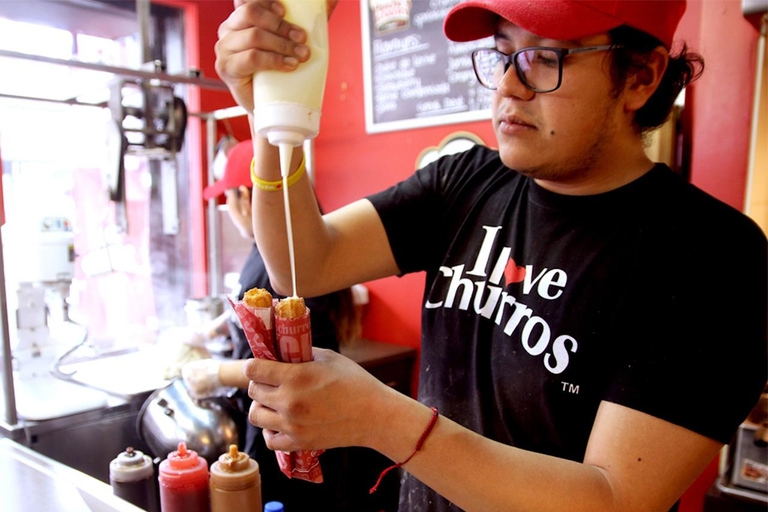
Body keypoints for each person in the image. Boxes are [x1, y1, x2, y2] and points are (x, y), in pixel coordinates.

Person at [213, 1, 768, 511]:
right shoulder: (464, 181)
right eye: (503, 54)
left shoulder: (712, 255)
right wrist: (272, 115)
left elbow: (614, 498)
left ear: (641, 76)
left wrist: (381, 420)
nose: (508, 85)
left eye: (543, 57)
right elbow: (301, 263)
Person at [182, 139, 395, 512]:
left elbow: (297, 365)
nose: (229, 209)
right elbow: (256, 312)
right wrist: (219, 326)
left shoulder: (292, 265)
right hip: (276, 419)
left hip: (297, 429)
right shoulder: (270, 248)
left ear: (247, 199)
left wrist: (215, 373)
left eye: (229, 199)